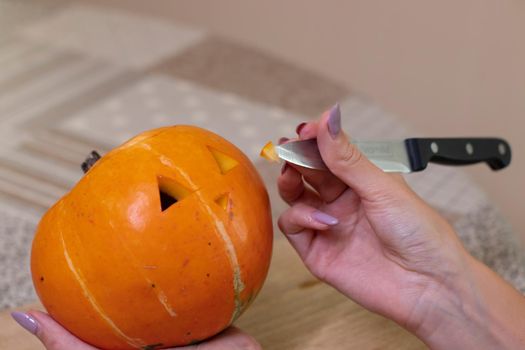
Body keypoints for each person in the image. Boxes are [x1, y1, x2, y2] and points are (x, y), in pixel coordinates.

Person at [12, 105, 525, 349]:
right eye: (170, 200)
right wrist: (439, 288)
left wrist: (438, 284)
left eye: (168, 198)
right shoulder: (61, 245)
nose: (195, 211)